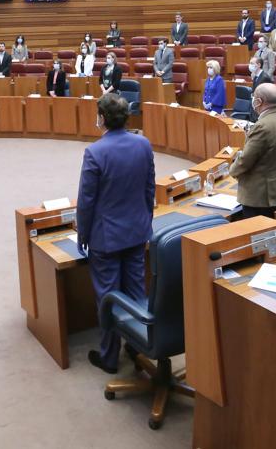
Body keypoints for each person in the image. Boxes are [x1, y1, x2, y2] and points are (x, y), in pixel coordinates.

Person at [76, 93, 155, 374]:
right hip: (137, 231)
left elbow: (86, 201)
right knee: (135, 290)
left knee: (107, 295)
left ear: (101, 118)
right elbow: (149, 189)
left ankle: (110, 357)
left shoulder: (95, 152)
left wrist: (83, 234)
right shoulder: (143, 144)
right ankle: (137, 346)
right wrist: (145, 220)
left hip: (105, 237)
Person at [230, 82, 276, 220]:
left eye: (254, 97)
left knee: (259, 237)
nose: (252, 99)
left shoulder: (262, 126)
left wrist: (232, 170)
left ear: (259, 101)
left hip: (259, 197)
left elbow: (245, 161)